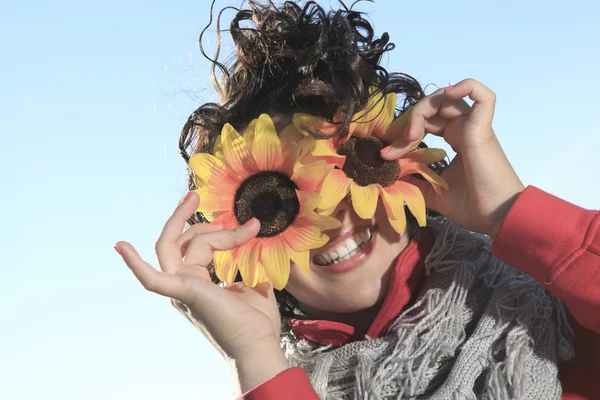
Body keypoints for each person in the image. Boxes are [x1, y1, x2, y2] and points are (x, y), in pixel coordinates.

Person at [114, 1, 600, 399]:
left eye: (346, 167)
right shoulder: (278, 383)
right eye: (280, 203)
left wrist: (512, 213)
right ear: (241, 245)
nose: (329, 215)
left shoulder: (562, 307)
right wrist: (255, 352)